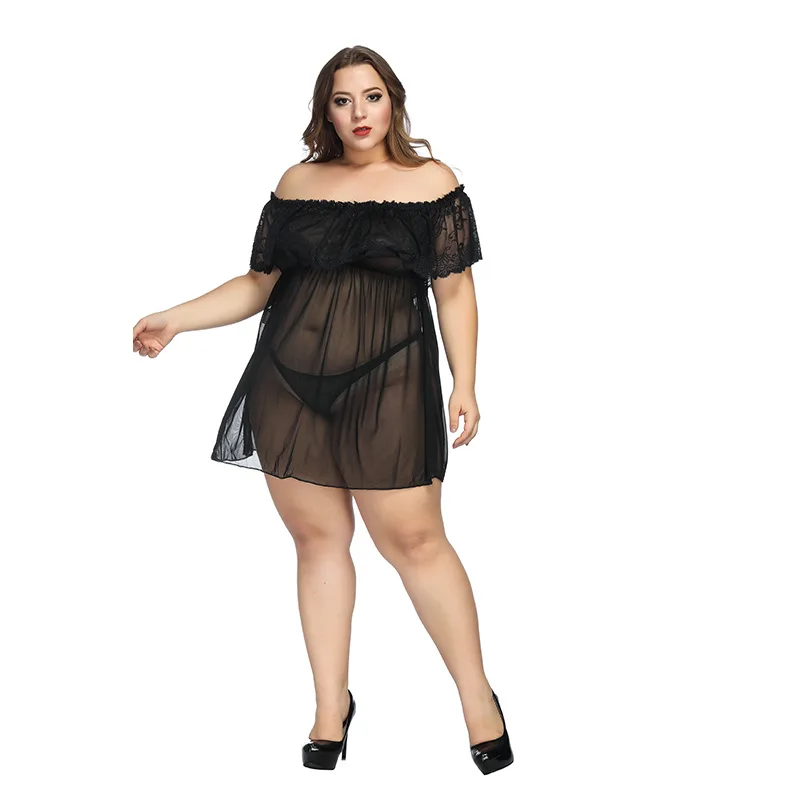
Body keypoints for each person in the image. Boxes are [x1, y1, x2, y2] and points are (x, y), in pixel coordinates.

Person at [131, 45, 513, 775]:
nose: (359, 113)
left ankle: (478, 701)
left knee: (416, 542)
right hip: (289, 381)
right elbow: (258, 284)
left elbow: (455, 290)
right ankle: (330, 708)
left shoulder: (433, 183)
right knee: (317, 542)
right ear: (325, 111)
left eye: (372, 97)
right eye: (343, 100)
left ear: (393, 101)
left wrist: (465, 382)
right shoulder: (298, 182)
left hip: (391, 381)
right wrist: (176, 318)